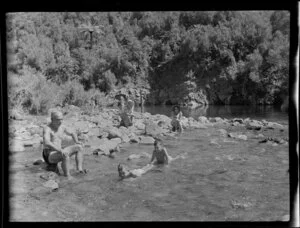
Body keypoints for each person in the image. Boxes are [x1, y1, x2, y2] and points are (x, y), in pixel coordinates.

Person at [42, 110, 87, 180]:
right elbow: (47, 142)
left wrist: (77, 141)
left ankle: (79, 170)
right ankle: (67, 176)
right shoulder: (47, 128)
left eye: (61, 119)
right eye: (57, 120)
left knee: (79, 147)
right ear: (52, 119)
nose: (60, 122)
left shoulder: (62, 127)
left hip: (58, 151)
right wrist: (59, 150)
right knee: (65, 154)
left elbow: (72, 133)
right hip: (49, 154)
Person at [118, 139, 186, 179]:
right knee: (150, 166)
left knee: (173, 159)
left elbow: (167, 157)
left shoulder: (163, 150)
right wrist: (149, 164)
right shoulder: (154, 151)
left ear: (162, 146)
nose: (156, 149)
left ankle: (180, 156)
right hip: (158, 161)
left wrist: (167, 165)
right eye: (155, 147)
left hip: (166, 160)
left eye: (157, 147)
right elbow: (152, 159)